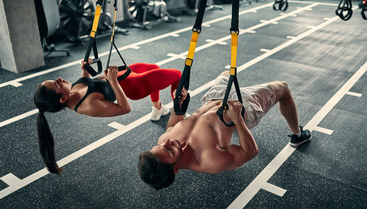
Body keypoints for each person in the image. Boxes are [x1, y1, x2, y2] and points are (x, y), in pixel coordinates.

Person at [138, 71, 312, 190]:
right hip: (240, 105)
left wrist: (179, 106)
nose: (167, 141)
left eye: (160, 145)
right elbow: (250, 152)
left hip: (214, 97)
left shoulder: (163, 143)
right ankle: (297, 135)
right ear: (175, 168)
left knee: (226, 73)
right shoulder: (209, 161)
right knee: (283, 87)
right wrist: (238, 119)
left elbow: (170, 127)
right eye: (168, 150)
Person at [34, 59, 181, 175]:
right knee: (177, 75)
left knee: (154, 67)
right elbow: (125, 108)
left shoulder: (71, 92)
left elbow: (86, 83)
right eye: (57, 84)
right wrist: (113, 81)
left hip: (123, 76)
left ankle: (157, 108)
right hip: (135, 85)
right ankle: (180, 111)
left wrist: (84, 70)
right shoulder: (88, 106)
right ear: (62, 99)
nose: (60, 79)